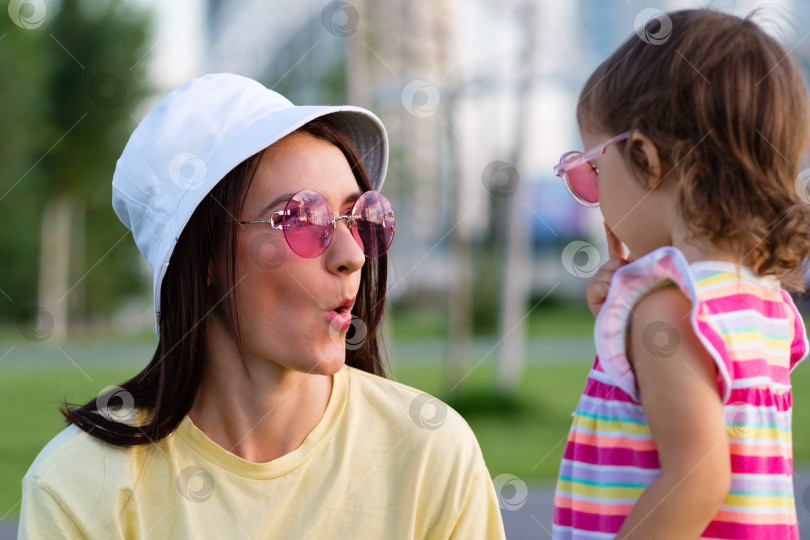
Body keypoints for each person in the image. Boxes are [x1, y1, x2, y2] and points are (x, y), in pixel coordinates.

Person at [18, 73, 505, 539]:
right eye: (299, 217)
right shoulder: (79, 490)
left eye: (358, 215)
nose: (353, 255)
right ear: (202, 256)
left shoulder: (430, 455)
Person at [552, 9, 810, 539]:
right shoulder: (762, 301)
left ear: (646, 159)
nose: (593, 196)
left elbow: (699, 478)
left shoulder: (667, 308)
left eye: (593, 170)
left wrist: (642, 310)